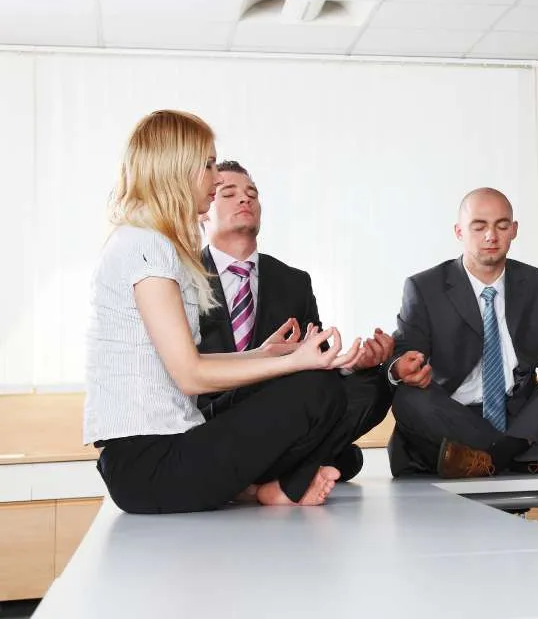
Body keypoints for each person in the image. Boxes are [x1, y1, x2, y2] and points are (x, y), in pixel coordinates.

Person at [84, 110, 363, 513]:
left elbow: (185, 365)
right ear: (176, 168)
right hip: (148, 464)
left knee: (325, 391)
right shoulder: (146, 245)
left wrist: (264, 354)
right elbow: (191, 376)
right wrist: (294, 362)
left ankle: (258, 491)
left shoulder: (150, 243)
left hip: (162, 452)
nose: (216, 179)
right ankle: (283, 485)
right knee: (317, 391)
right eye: (209, 165)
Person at [196, 160, 394, 482]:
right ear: (203, 210)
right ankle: (300, 467)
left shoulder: (293, 281)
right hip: (211, 419)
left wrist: (352, 364)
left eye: (252, 194)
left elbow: (319, 364)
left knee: (373, 386)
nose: (245, 199)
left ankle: (278, 469)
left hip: (279, 414)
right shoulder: (182, 276)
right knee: (345, 457)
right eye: (229, 193)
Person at [386, 188, 538, 479]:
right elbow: (405, 353)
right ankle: (525, 456)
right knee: (407, 396)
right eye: (479, 227)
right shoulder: (424, 287)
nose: (491, 236)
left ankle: (489, 459)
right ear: (459, 231)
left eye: (501, 226)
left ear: (514, 230)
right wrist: (401, 366)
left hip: (523, 416)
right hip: (454, 415)